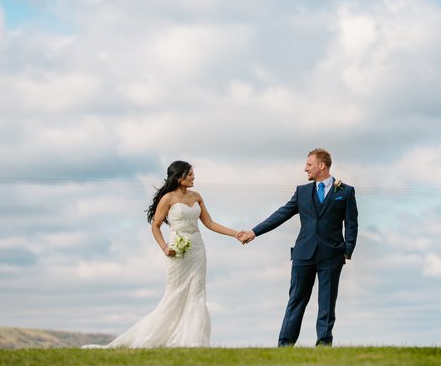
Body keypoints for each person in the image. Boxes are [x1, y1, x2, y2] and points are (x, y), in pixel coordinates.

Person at [92, 161, 242, 348]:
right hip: (177, 252)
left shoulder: (197, 197)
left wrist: (236, 234)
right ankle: (153, 337)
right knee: (175, 293)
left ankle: (193, 340)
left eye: (192, 174)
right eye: (189, 174)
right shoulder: (168, 199)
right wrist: (164, 248)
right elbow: (155, 225)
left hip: (197, 250)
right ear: (179, 178)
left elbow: (210, 223)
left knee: (197, 294)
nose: (193, 177)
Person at [237, 149, 358, 346]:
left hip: (332, 255)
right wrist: (254, 232)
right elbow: (281, 214)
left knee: (327, 302)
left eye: (309, 165)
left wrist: (347, 250)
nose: (305, 168)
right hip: (303, 254)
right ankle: (285, 344)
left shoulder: (345, 191)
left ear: (321, 166)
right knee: (296, 300)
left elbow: (352, 224)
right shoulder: (302, 192)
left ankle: (324, 343)